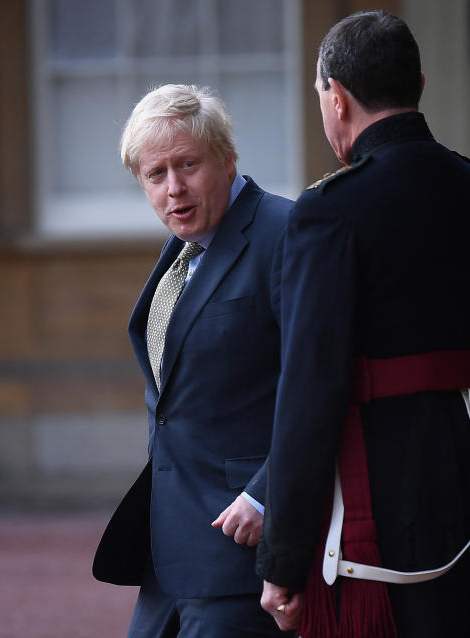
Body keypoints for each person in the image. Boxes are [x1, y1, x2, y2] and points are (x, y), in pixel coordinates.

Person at [256, 10, 470, 638]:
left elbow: (309, 394)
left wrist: (283, 558)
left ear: (335, 97)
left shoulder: (327, 212)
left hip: (383, 503)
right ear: (418, 86)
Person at [91, 84, 294, 637]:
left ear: (227, 160)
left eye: (188, 165)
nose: (174, 188)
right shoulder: (184, 249)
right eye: (155, 175)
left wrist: (266, 494)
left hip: (242, 549)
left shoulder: (286, 233)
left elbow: (324, 382)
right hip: (168, 554)